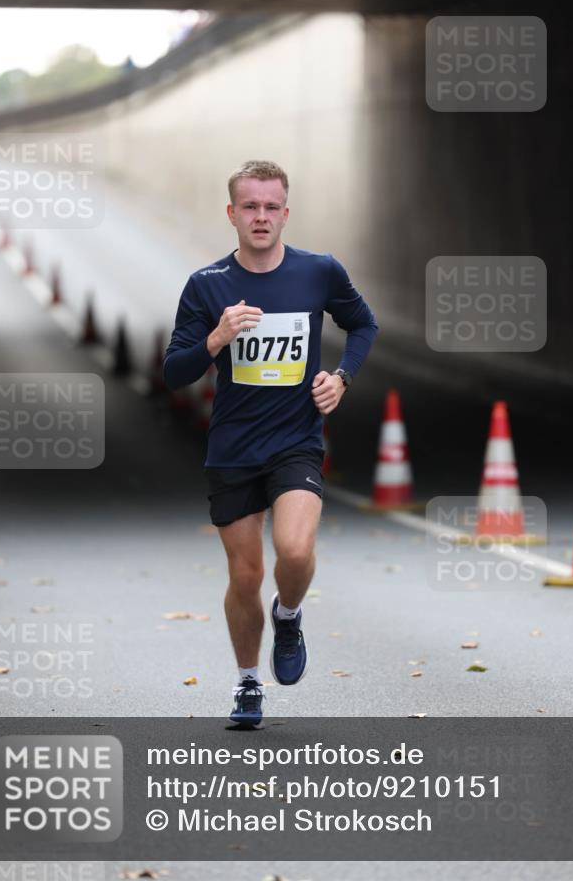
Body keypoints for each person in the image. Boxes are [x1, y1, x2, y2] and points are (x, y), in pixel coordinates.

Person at [163, 160, 378, 725]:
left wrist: (342, 377)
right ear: (232, 214)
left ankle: (289, 613)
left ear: (286, 212)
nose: (261, 217)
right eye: (250, 207)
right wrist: (218, 335)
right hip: (233, 447)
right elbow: (174, 373)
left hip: (296, 441)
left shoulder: (318, 271)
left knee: (297, 551)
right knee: (245, 576)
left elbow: (364, 324)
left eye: (271, 207)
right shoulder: (207, 286)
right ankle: (247, 683)